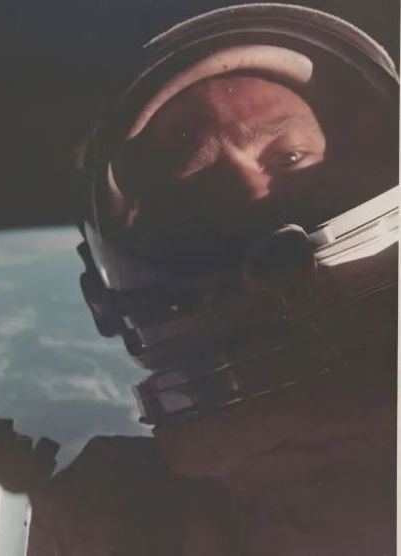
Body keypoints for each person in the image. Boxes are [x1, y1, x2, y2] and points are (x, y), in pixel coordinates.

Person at [28, 4, 398, 554]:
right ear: (100, 296)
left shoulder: (105, 523)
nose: (254, 200)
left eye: (290, 157)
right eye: (197, 181)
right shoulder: (99, 524)